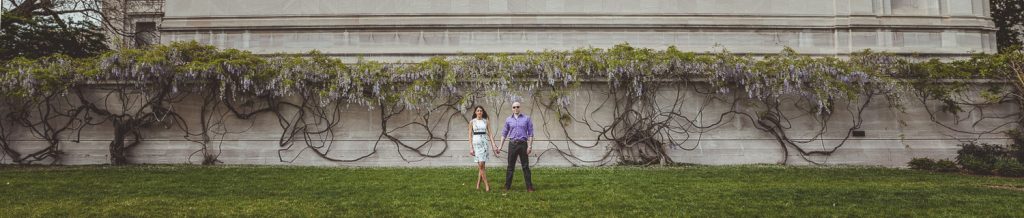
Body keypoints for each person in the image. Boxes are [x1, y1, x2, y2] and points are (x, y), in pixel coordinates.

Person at [497, 101, 535, 192]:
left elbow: (531, 134)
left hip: (523, 145)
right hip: (512, 144)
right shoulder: (508, 120)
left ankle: (529, 187)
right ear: (512, 108)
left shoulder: (527, 119)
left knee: (525, 166)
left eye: (517, 107)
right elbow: (504, 134)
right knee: (510, 166)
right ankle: (507, 186)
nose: (516, 109)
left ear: (520, 108)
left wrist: (529, 146)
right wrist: (500, 146)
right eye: (514, 107)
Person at [468, 106, 496, 192]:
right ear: (475, 112)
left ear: (482, 112)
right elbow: (470, 135)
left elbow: (490, 134)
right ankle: (486, 184)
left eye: (481, 111)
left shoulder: (486, 121)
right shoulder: (472, 122)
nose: (479, 112)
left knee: (481, 165)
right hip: (476, 144)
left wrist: (493, 144)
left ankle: (479, 184)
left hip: (484, 144)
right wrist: (471, 147)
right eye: (478, 111)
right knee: (481, 165)